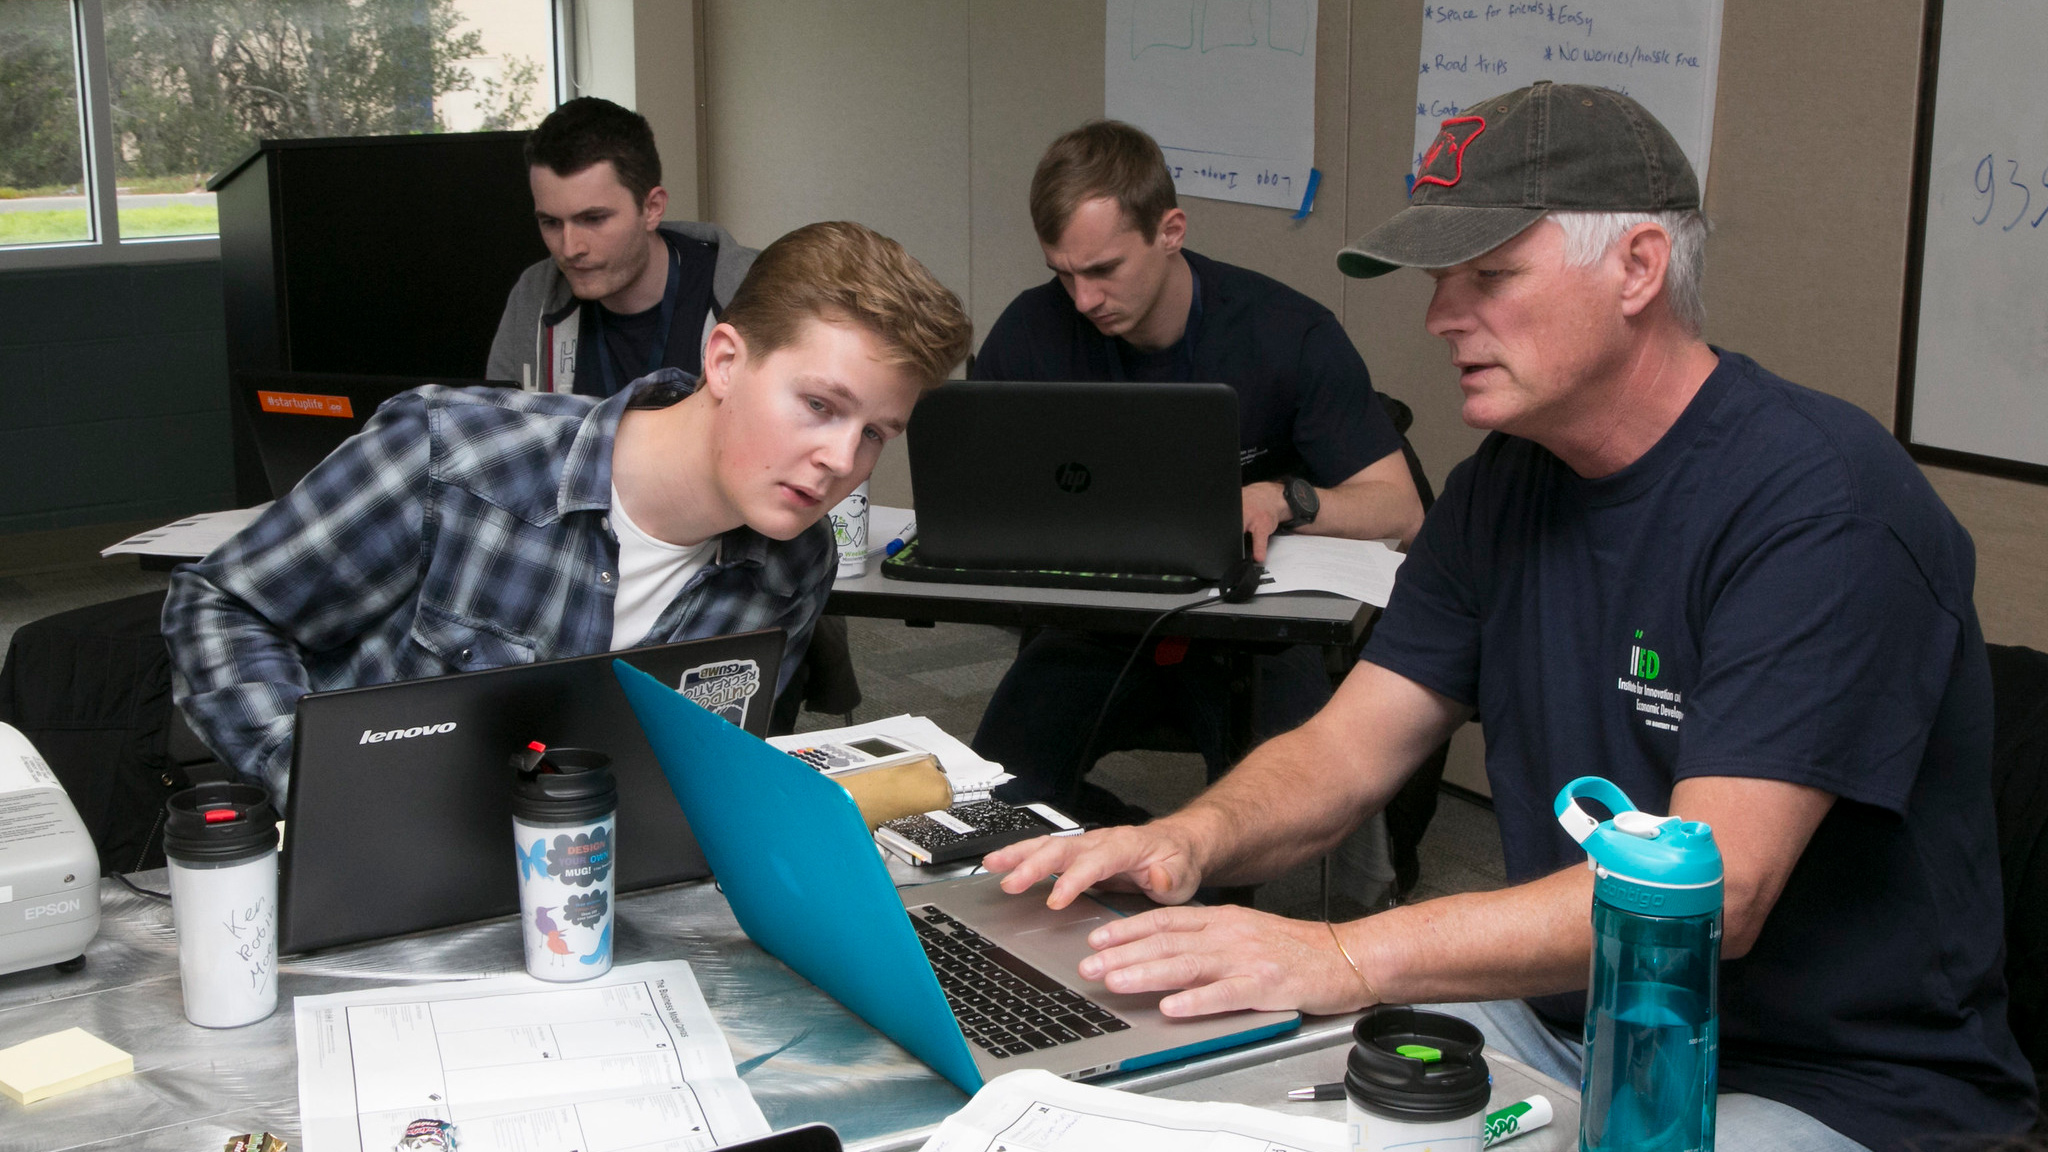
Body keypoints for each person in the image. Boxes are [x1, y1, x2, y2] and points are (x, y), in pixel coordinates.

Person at [985, 83, 2038, 1151]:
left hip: (1827, 1082)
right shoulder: (1503, 486)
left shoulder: (1819, 506)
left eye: (1488, 275)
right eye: (1442, 279)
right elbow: (1345, 753)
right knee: (1212, 1103)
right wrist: (1184, 839)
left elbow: (1708, 898)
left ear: (1636, 267)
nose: (1442, 315)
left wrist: (1346, 954)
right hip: (1559, 1019)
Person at [166, 221, 972, 799]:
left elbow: (703, 780)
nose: (842, 462)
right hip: (383, 892)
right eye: (820, 406)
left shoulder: (796, 558)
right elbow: (219, 606)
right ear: (724, 360)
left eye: (875, 433)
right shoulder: (456, 452)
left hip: (591, 900)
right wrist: (318, 786)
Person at [969, 120, 1425, 829]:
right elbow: (981, 491)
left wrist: (1282, 498)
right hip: (1099, 625)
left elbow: (1400, 511)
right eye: (1063, 272)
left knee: (1283, 815)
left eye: (1103, 270)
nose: (1083, 299)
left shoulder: (1286, 333)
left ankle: (1221, 879)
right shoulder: (1032, 331)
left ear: (1170, 230)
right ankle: (1135, 841)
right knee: (992, 800)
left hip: (1254, 628)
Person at [488, 96, 757, 395]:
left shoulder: (753, 292)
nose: (570, 248)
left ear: (652, 208)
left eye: (593, 219)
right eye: (551, 222)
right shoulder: (534, 295)